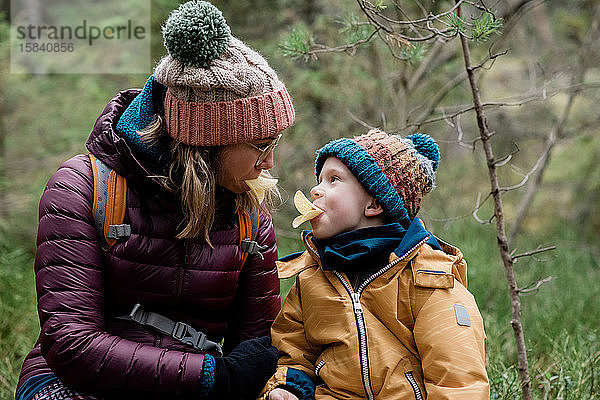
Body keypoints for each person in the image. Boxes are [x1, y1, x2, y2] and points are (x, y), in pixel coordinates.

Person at [15, 1, 295, 399]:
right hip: (73, 383)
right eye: (260, 144)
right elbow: (71, 345)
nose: (269, 162)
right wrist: (212, 378)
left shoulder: (250, 214)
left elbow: (254, 350)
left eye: (276, 142)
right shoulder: (82, 188)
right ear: (206, 142)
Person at [261, 129, 489, 400]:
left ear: (374, 203)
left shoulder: (430, 279)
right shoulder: (311, 277)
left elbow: (457, 381)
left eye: (334, 180)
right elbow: (294, 353)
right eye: (319, 180)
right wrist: (288, 389)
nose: (316, 190)